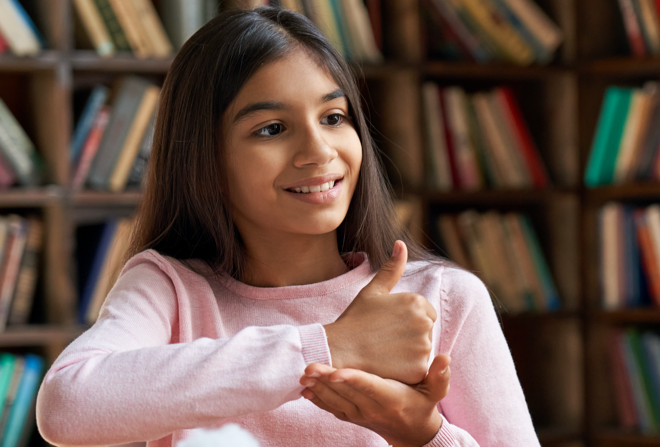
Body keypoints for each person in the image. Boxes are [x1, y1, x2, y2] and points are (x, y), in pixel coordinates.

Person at [36, 6, 537, 447]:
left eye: (334, 117)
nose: (319, 151)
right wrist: (332, 344)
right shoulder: (172, 290)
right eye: (272, 129)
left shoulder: (443, 300)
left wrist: (425, 437)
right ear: (204, 160)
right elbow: (67, 406)